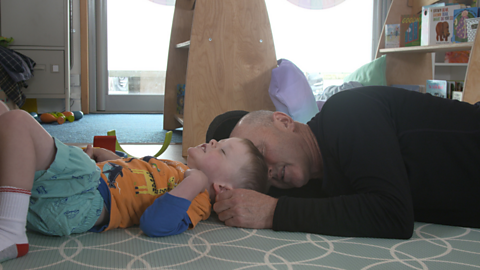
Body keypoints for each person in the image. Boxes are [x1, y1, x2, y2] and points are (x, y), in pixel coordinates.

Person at [0, 100, 268, 263]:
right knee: (4, 118)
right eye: (218, 141)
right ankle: (10, 214)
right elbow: (138, 170)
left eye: (221, 150)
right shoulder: (177, 167)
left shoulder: (196, 201)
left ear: (220, 187)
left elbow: (154, 223)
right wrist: (112, 156)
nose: (212, 141)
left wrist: (195, 182)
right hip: (63, 193)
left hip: (86, 196)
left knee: (16, 121)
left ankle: (11, 233)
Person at [212, 86, 480, 239]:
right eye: (261, 176)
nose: (268, 171)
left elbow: (394, 214)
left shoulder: (346, 112)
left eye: (261, 151)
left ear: (284, 121)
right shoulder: (314, 185)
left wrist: (273, 212)